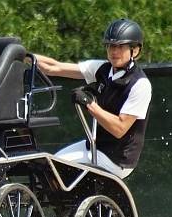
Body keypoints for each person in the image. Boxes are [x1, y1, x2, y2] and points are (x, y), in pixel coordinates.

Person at [36, 18, 152, 178]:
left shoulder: (140, 84)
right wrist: (22, 55)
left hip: (117, 159)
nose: (114, 51)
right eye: (111, 46)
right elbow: (54, 67)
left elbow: (119, 129)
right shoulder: (103, 69)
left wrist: (89, 104)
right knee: (51, 163)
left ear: (135, 50)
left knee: (56, 168)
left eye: (120, 46)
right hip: (96, 146)